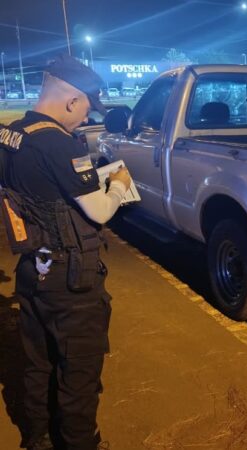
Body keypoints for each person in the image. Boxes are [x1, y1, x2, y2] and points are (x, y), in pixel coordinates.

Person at [0, 54, 132, 450]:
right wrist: (119, 184)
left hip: (32, 269)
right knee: (79, 373)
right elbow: (100, 211)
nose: (87, 117)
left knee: (38, 363)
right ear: (72, 101)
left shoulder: (11, 133)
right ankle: (79, 443)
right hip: (71, 281)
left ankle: (37, 437)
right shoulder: (59, 143)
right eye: (87, 108)